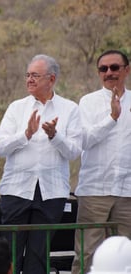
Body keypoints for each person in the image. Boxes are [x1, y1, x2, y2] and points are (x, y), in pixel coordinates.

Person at [0, 54, 82, 274]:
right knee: (10, 253)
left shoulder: (70, 109)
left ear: (51, 79)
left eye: (35, 75)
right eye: (28, 75)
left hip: (51, 193)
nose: (29, 80)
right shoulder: (16, 107)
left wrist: (55, 135)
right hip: (16, 190)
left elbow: (74, 151)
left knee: (38, 254)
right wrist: (26, 134)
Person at [71, 50, 131, 274]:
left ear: (127, 70)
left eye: (114, 68)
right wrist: (111, 119)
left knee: (125, 254)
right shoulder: (88, 102)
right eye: (103, 69)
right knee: (87, 254)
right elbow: (83, 140)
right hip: (95, 190)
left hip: (127, 192)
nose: (109, 73)